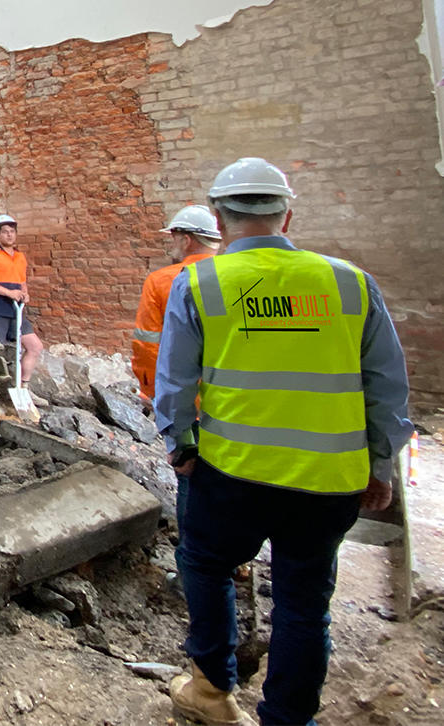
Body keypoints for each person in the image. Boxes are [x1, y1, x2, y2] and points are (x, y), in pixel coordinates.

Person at [154, 157, 414, 726]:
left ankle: (211, 690)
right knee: (303, 603)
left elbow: (174, 383)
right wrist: (382, 468)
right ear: (287, 216)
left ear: (219, 221)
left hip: (231, 473)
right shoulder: (349, 282)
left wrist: (180, 445)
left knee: (206, 564)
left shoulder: (199, 282)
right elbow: (389, 391)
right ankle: (288, 718)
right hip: (330, 481)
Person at [132, 205, 221, 406]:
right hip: (228, 399)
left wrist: (152, 389)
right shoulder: (239, 278)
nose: (172, 245)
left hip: (182, 398)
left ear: (186, 240)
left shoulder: (161, 281)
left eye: (174, 238)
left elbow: (147, 344)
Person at [0, 214, 43, 387]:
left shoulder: (19, 257)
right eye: (5, 232)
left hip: (15, 309)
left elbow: (22, 281)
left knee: (34, 346)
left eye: (12, 232)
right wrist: (8, 292)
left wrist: (24, 293)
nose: (9, 235)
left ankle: (24, 387)